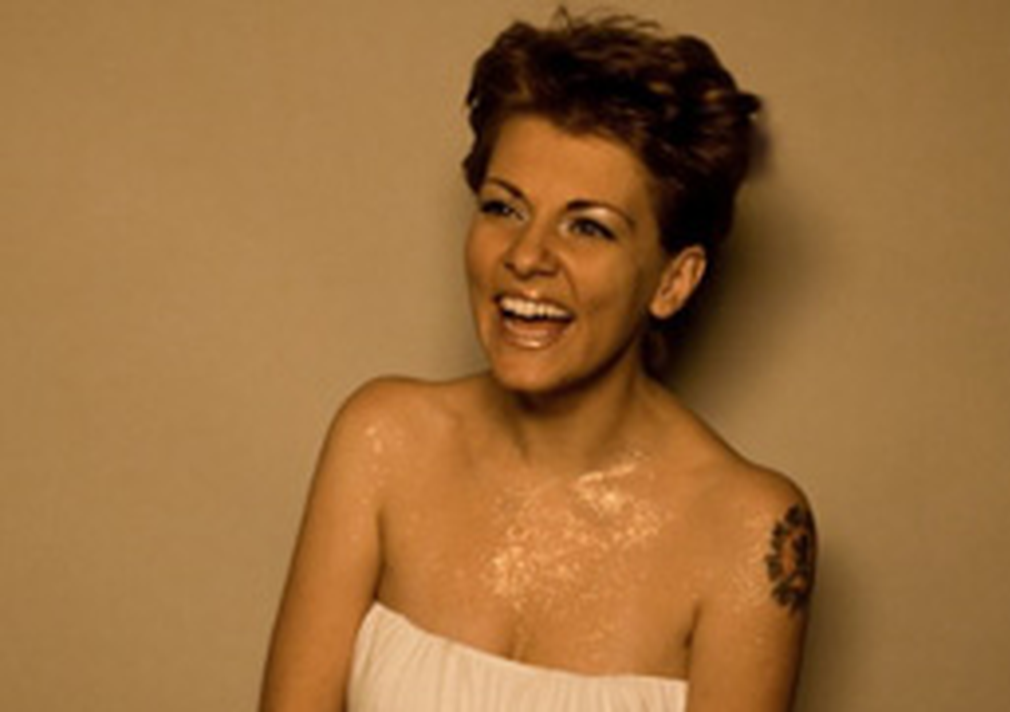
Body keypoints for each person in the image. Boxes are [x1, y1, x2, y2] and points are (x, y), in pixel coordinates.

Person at [260, 9, 816, 712]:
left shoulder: (750, 530)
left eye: (588, 227)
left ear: (674, 281)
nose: (526, 257)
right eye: (504, 208)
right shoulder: (381, 441)